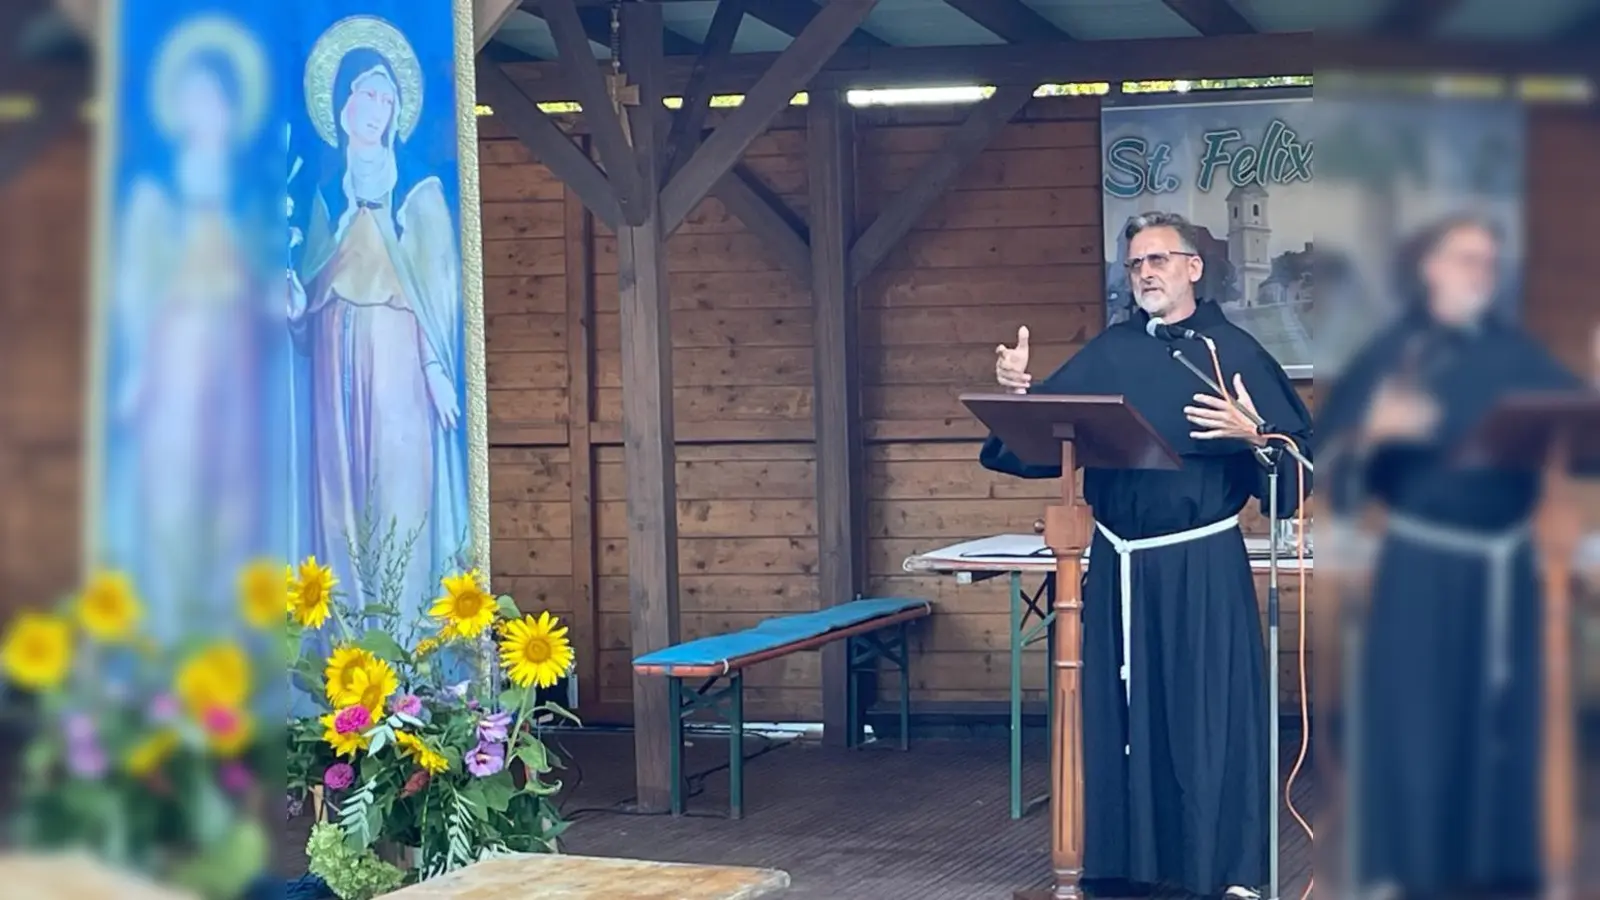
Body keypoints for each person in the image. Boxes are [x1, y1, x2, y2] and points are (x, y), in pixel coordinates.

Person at [985, 211, 1312, 899]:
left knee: (1203, 719)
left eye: (1159, 260)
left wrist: (1255, 435)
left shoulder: (1236, 353)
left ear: (1194, 268)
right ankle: (1118, 866)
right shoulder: (1108, 353)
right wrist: (1019, 397)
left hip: (1199, 567)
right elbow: (1036, 441)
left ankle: (1222, 873)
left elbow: (1298, 475)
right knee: (1114, 715)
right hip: (1113, 563)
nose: (1146, 273)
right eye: (1135, 264)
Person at [1316, 214, 1584, 899]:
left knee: (1506, 727)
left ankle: (1504, 876)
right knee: (1419, 726)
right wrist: (1374, 434)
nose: (1479, 274)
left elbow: (1583, 444)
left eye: (1489, 263)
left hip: (1507, 564)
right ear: (1429, 267)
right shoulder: (1392, 353)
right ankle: (1410, 876)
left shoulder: (1518, 352)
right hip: (1421, 568)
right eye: (1466, 259)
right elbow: (1332, 474)